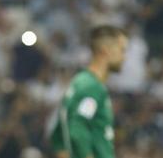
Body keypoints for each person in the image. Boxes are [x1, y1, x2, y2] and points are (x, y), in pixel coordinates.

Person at [49, 25, 129, 158]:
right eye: (122, 50)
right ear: (106, 50)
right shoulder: (91, 86)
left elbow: (58, 136)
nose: (124, 57)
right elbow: (77, 129)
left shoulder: (81, 82)